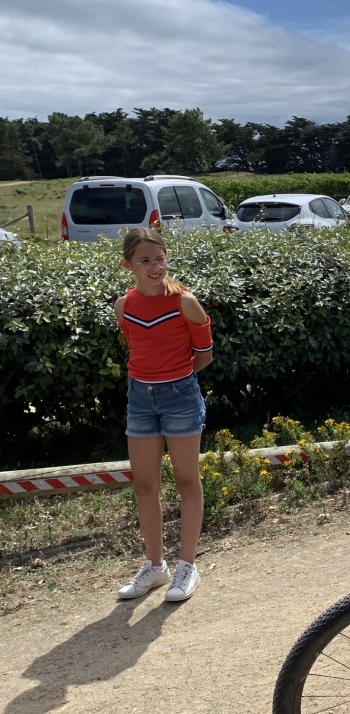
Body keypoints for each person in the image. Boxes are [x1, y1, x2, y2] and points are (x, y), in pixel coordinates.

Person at [114, 228, 213, 601]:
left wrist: (176, 379)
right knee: (144, 486)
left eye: (159, 259)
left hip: (180, 396)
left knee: (187, 481)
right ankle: (156, 567)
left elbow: (204, 355)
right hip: (140, 398)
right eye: (145, 261)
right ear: (127, 265)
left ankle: (187, 566)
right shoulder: (124, 305)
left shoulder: (185, 302)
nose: (154, 267)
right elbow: (137, 346)